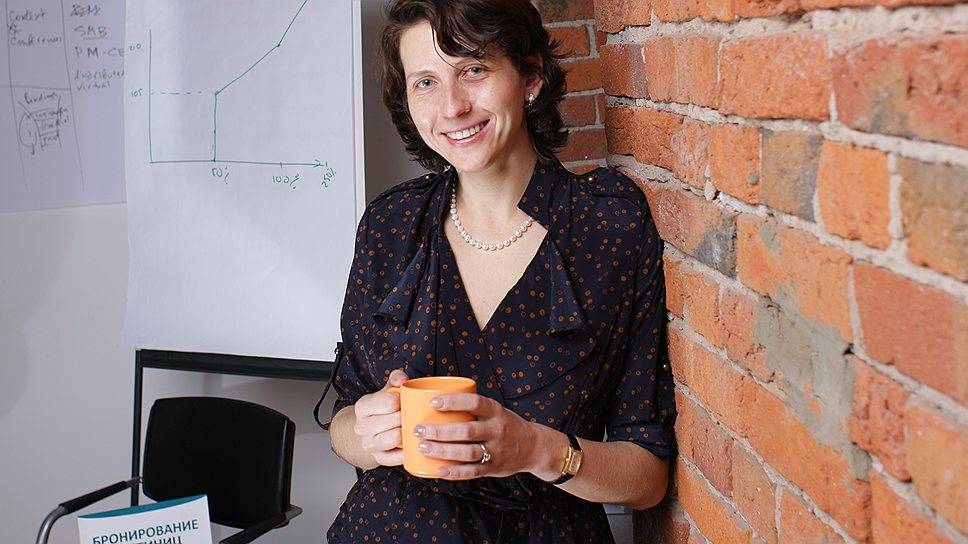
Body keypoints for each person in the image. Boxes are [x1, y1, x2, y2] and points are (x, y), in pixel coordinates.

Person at [326, 0, 676, 541]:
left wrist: (538, 448)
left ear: (530, 77)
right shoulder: (389, 225)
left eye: (473, 70)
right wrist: (369, 432)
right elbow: (343, 425)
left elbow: (648, 477)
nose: (452, 107)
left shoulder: (608, 227)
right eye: (425, 82)